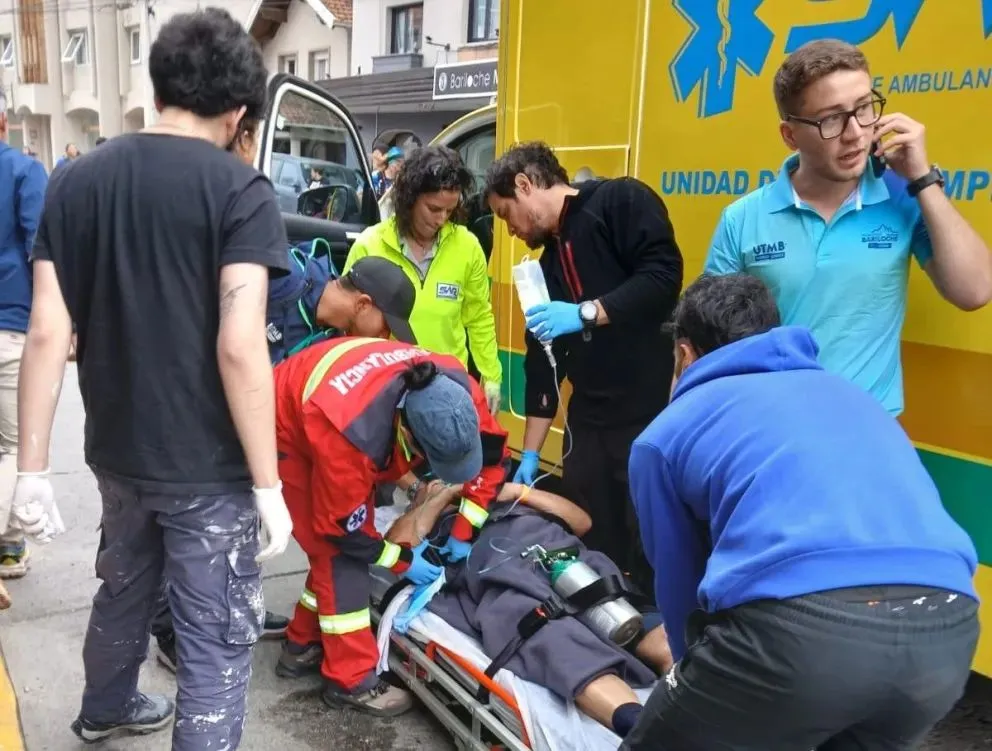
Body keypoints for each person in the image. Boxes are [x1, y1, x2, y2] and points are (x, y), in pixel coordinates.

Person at [15, 9, 294, 747]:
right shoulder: (242, 191)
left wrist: (32, 470)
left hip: (117, 452)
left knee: (124, 588)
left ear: (160, 83)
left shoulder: (74, 178)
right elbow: (241, 347)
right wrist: (268, 485)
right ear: (239, 110)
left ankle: (105, 705)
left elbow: (47, 329)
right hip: (208, 468)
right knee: (214, 640)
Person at [624, 273, 979, 750]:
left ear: (684, 355)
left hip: (801, 639)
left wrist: (696, 684)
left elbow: (679, 586)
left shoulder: (665, 435)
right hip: (947, 629)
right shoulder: (851, 394)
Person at [704, 39, 992, 416]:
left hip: (870, 430)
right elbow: (707, 339)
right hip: (772, 426)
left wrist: (922, 179)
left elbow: (974, 291)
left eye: (864, 108)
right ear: (790, 135)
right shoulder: (743, 218)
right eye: (831, 119)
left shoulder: (903, 198)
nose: (856, 132)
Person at [484, 141, 683, 600]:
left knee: (647, 525)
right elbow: (542, 369)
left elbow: (663, 277)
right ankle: (607, 607)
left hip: (648, 408)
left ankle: (659, 617)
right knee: (592, 522)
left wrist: (586, 313)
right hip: (589, 417)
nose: (510, 231)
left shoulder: (620, 202)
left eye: (505, 213)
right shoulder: (546, 267)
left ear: (525, 184)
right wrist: (529, 456)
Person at [273, 336, 511, 715]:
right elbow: (343, 532)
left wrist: (465, 529)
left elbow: (494, 461)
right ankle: (349, 682)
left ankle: (301, 644)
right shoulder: (350, 432)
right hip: (290, 424)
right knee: (335, 556)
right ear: (408, 436)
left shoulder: (456, 393)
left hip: (335, 398)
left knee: (336, 555)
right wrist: (402, 560)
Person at [386, 479, 673, 740]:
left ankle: (687, 691)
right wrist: (439, 496)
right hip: (502, 576)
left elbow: (582, 522)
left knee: (626, 615)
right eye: (426, 483)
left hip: (562, 558)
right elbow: (397, 542)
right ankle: (647, 732)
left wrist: (521, 492)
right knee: (553, 637)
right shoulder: (437, 525)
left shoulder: (513, 503)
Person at [345, 145, 502, 413]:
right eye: (433, 208)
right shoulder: (370, 245)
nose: (441, 219)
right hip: (385, 391)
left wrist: (491, 376)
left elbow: (478, 317)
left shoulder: (468, 247)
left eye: (450, 211)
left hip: (448, 389)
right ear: (410, 199)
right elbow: (347, 321)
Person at [0, 85, 48, 583]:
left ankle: (9, 547)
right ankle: (7, 546)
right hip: (11, 325)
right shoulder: (23, 170)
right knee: (15, 448)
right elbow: (42, 249)